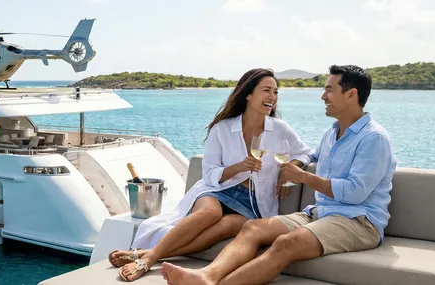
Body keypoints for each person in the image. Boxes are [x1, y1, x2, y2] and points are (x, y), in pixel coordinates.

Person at [162, 65, 397, 285]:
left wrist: (304, 177)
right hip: (321, 213)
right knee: (253, 228)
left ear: (351, 95)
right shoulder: (333, 132)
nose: (323, 96)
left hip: (359, 221)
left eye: (329, 90)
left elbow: (355, 193)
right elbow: (310, 155)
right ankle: (206, 276)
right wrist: (290, 169)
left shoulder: (373, 138)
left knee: (286, 243)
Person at [108, 68, 312, 281]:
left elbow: (306, 153)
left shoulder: (280, 129)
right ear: (248, 94)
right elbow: (209, 173)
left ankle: (145, 253)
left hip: (254, 203)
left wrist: (289, 171)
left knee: (228, 225)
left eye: (276, 92)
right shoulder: (222, 128)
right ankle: (148, 261)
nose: (272, 97)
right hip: (218, 189)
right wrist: (239, 167)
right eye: (266, 90)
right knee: (210, 213)